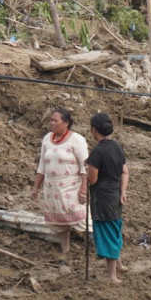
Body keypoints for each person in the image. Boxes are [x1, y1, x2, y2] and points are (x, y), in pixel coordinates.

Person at [31, 108, 88, 255]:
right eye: (51, 120)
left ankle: (100, 249)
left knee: (81, 219)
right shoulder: (47, 138)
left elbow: (85, 166)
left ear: (66, 123)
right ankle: (65, 249)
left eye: (55, 120)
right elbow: (42, 164)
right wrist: (36, 187)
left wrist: (83, 189)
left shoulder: (77, 140)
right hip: (52, 188)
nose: (52, 123)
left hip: (71, 188)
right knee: (59, 222)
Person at [86, 113, 128, 283]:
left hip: (103, 198)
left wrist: (85, 171)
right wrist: (123, 191)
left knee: (107, 232)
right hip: (116, 195)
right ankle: (119, 264)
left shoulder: (97, 151)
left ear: (94, 130)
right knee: (115, 227)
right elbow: (125, 172)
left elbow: (92, 179)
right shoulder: (117, 146)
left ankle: (112, 276)